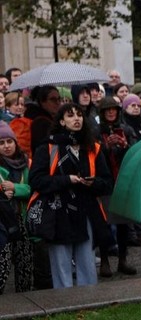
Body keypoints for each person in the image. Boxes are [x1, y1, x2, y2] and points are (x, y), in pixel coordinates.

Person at [28, 103, 114, 288]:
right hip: (58, 213)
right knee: (61, 266)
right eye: (70, 115)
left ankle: (89, 305)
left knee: (87, 265)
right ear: (61, 121)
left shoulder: (94, 147)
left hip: (86, 212)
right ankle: (64, 307)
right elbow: (35, 180)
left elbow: (107, 183)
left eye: (79, 115)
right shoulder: (49, 147)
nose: (76, 119)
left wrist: (93, 183)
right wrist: (66, 180)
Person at [96, 96, 138, 276]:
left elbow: (136, 153)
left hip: (122, 182)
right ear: (102, 113)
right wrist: (106, 146)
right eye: (107, 110)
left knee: (122, 225)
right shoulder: (96, 131)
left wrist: (126, 145)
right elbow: (94, 155)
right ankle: (104, 261)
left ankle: (123, 260)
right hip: (105, 183)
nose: (111, 112)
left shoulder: (126, 129)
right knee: (104, 224)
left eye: (114, 109)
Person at [0, 121, 34, 294]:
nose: (6, 146)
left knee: (24, 262)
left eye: (9, 141)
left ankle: (25, 298)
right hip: (3, 221)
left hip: (22, 218)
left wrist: (16, 188)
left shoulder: (26, 163)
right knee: (3, 263)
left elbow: (34, 189)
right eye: (1, 143)